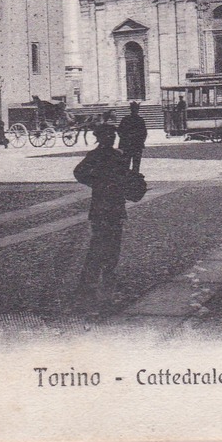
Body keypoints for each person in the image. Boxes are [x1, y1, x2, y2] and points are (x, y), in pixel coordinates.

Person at [73, 125, 131, 302]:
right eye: (109, 135)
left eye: (113, 135)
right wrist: (97, 183)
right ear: (100, 137)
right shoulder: (96, 156)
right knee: (99, 243)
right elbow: (79, 173)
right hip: (104, 207)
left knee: (112, 243)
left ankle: (107, 275)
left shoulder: (117, 156)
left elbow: (125, 177)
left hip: (111, 206)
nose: (112, 137)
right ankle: (91, 279)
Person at [117, 101, 148, 173]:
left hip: (127, 145)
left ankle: (126, 180)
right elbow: (144, 133)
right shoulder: (140, 120)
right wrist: (140, 141)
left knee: (126, 164)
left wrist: (125, 139)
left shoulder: (125, 119)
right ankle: (134, 180)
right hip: (136, 145)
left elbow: (119, 131)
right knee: (136, 166)